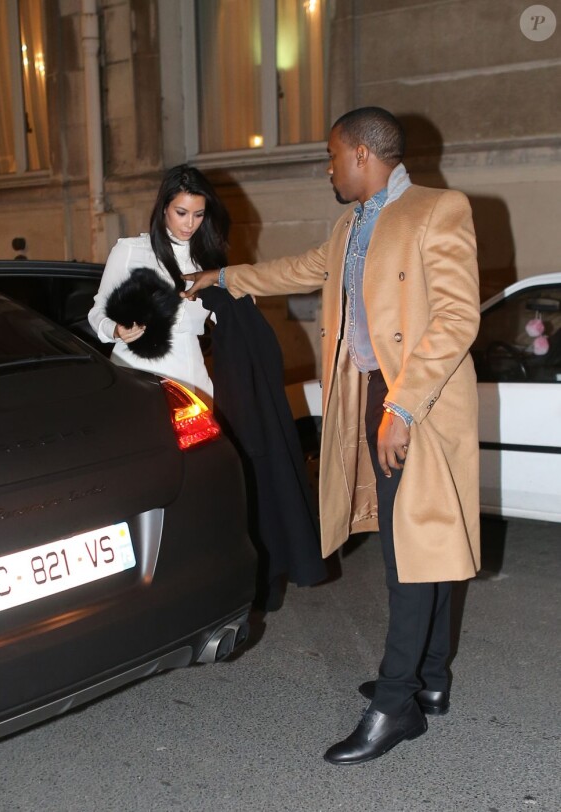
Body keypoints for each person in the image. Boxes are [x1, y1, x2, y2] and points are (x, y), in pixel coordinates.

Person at [184, 106, 481, 764]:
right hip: (372, 396)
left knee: (413, 556)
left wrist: (402, 408)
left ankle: (397, 702)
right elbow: (301, 270)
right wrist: (227, 278)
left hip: (419, 402)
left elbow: (459, 318)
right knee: (416, 547)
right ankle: (431, 682)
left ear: (362, 155)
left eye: (332, 155)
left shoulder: (439, 209)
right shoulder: (351, 223)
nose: (327, 167)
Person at [88, 164, 230, 402]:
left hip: (191, 374)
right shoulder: (130, 251)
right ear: (165, 208)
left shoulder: (209, 261)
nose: (189, 224)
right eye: (181, 213)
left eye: (198, 215)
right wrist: (116, 330)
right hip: (137, 372)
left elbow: (225, 317)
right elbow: (98, 311)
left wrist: (243, 300)